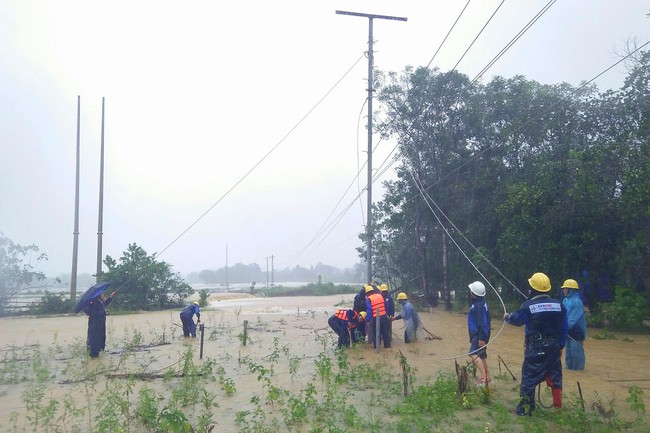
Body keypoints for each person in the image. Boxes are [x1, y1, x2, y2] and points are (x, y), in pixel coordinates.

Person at [504, 272, 568, 416]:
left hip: (536, 348)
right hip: (554, 348)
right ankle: (558, 410)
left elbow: (517, 320)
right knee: (555, 377)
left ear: (532, 288)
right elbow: (564, 328)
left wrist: (508, 317)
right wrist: (561, 346)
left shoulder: (528, 306)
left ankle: (525, 410)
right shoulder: (560, 306)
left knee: (529, 378)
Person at [467, 281, 492, 385]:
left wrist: (481, 338)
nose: (469, 293)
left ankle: (483, 377)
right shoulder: (481, 304)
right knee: (481, 355)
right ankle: (487, 376)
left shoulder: (479, 306)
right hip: (481, 334)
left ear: (474, 294)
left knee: (473, 353)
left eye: (471, 291)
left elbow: (482, 323)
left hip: (478, 334)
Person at [561, 278, 587, 370]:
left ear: (570, 290)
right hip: (567, 331)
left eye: (565, 288)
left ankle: (579, 373)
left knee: (576, 355)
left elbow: (573, 319)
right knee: (568, 355)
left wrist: (563, 328)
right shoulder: (565, 301)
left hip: (577, 331)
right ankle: (570, 372)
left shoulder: (577, 302)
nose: (563, 290)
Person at [84, 290, 116, 358]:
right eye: (102, 294)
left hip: (100, 325)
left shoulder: (99, 302)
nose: (103, 295)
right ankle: (93, 354)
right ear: (99, 295)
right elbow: (92, 312)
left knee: (99, 339)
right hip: (95, 325)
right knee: (94, 339)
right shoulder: (94, 303)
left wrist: (111, 297)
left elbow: (105, 303)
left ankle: (96, 353)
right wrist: (103, 313)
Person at [366, 284, 390, 348]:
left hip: (376, 318)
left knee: (376, 334)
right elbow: (386, 306)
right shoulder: (380, 296)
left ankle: (376, 348)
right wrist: (386, 314)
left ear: (367, 293)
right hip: (384, 317)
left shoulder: (369, 299)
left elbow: (369, 311)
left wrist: (368, 321)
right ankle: (387, 347)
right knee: (385, 333)